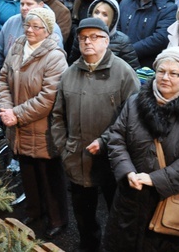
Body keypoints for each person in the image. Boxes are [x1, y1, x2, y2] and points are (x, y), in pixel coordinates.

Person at [103, 47, 179, 252]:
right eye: (161, 71)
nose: (165, 77)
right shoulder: (135, 103)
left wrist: (155, 179)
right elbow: (117, 138)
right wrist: (127, 171)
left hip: (167, 202)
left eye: (174, 73)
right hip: (130, 197)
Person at [51, 18, 140, 251]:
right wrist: (64, 147)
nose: (87, 42)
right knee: (83, 215)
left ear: (107, 40)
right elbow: (58, 116)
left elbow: (132, 118)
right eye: (83, 38)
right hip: (76, 157)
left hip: (113, 158)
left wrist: (105, 141)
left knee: (117, 213)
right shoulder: (69, 74)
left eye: (94, 37)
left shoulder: (123, 72)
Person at [0, 8, 69, 239]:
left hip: (42, 128)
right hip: (17, 124)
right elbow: (2, 80)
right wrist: (6, 109)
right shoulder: (18, 46)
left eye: (37, 27)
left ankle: (57, 220)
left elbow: (48, 98)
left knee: (48, 176)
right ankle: (34, 212)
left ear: (47, 30)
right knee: (27, 172)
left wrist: (16, 114)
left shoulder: (55, 56)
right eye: (28, 25)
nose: (30, 30)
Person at [118, 0, 177, 68]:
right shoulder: (125, 2)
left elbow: (160, 38)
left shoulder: (169, 8)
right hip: (121, 61)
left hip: (147, 65)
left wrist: (129, 51)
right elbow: (117, 27)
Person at [67, 0, 141, 69]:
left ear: (112, 19)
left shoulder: (122, 41)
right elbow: (73, 64)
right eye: (96, 12)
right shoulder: (81, 36)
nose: (98, 17)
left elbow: (133, 72)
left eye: (105, 14)